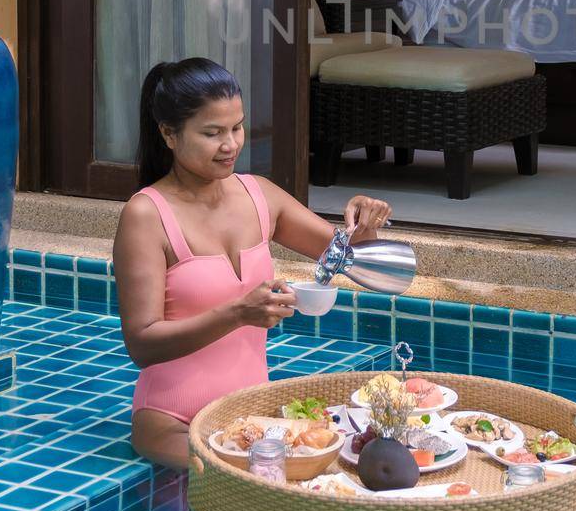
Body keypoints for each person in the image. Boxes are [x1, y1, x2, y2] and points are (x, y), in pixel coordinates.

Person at [115, 56, 392, 469]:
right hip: (172, 421)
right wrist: (238, 313)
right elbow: (141, 344)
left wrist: (363, 221)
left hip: (251, 416)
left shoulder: (259, 195)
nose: (230, 145)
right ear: (169, 134)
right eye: (212, 133)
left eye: (237, 127)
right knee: (241, 480)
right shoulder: (146, 215)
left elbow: (348, 257)